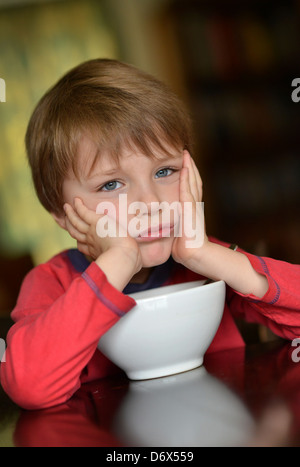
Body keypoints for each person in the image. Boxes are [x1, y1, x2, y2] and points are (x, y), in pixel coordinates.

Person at [1, 59, 299, 410]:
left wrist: (205, 256)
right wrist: (118, 261)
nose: (151, 202)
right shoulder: (51, 283)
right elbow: (29, 385)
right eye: (111, 184)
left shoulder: (202, 259)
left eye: (165, 171)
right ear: (60, 212)